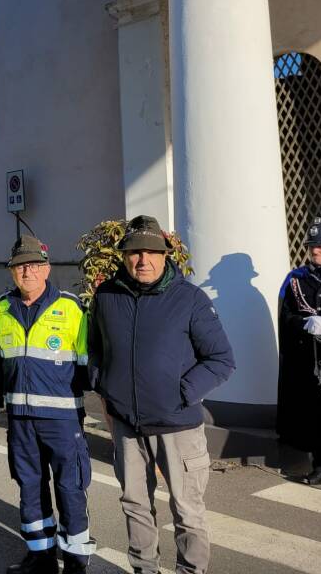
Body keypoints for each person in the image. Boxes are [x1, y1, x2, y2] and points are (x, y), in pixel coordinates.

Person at [89, 215, 235, 574]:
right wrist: (105, 387)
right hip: (127, 426)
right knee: (135, 504)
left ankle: (191, 570)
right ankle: (144, 569)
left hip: (178, 427)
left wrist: (182, 393)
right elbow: (95, 349)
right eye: (135, 252)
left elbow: (221, 359)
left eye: (152, 252)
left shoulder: (190, 299)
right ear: (123, 256)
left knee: (187, 510)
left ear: (165, 255)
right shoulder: (107, 296)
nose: (143, 260)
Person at [0, 235, 94, 573]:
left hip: (62, 420)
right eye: (20, 267)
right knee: (29, 486)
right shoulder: (0, 310)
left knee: (70, 487)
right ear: (12, 272)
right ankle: (40, 555)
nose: (27, 272)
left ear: (46, 269)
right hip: (20, 420)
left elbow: (88, 366)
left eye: (33, 265)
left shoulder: (70, 308)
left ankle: (76, 559)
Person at [277, 218, 321, 487]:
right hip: (311, 360)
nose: (315, 251)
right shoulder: (297, 279)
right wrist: (304, 324)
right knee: (317, 413)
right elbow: (287, 315)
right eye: (312, 245)